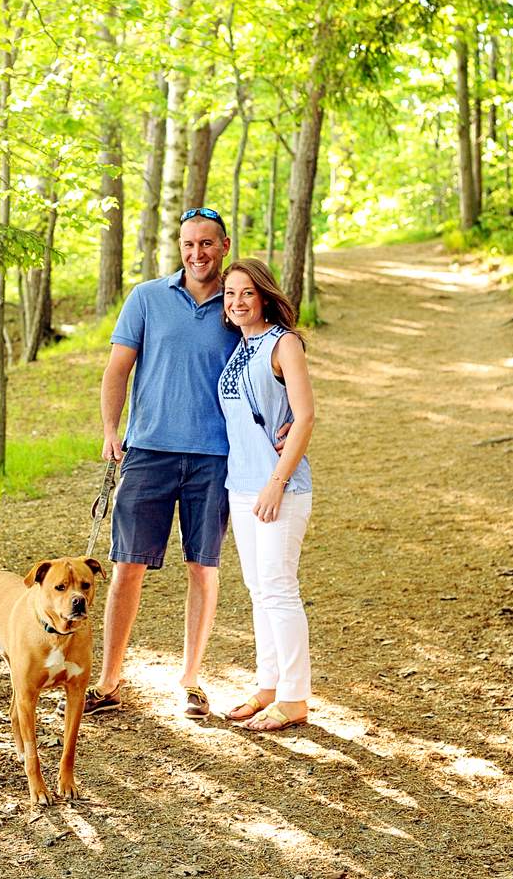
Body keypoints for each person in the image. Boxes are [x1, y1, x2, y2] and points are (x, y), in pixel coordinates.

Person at [83, 208, 238, 719]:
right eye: (189, 244)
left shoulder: (238, 305)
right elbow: (117, 369)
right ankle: (108, 681)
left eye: (207, 244)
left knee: (204, 567)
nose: (197, 253)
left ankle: (192, 680)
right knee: (127, 566)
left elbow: (270, 363)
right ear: (180, 248)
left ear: (224, 246)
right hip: (148, 451)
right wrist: (111, 430)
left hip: (215, 456)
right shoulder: (146, 297)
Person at [218, 257, 315, 731]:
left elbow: (306, 415)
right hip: (241, 485)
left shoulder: (284, 343)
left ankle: (295, 697)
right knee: (260, 591)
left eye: (247, 293)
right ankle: (268, 686)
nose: (237, 302)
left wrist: (276, 480)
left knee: (278, 588)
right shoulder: (240, 347)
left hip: (280, 487)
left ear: (264, 296)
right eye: (230, 294)